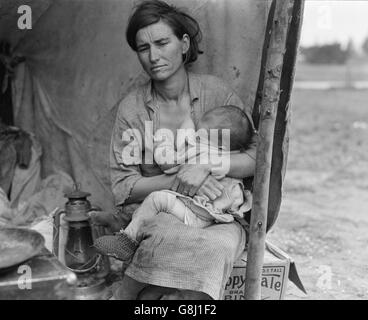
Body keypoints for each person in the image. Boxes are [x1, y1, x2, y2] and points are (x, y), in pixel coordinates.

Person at [92, 0, 257, 300]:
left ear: (183, 44)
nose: (153, 56)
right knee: (163, 242)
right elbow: (124, 188)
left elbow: (256, 158)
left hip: (221, 216)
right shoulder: (133, 109)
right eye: (143, 48)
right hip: (167, 212)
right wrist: (181, 178)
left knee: (214, 251)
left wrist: (207, 165)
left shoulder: (218, 94)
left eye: (162, 42)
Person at [94, 105, 253, 261]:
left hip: (198, 215)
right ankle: (123, 225)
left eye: (200, 135)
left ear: (220, 145)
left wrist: (163, 142)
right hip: (211, 211)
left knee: (157, 200)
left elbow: (168, 163)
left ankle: (126, 242)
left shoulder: (202, 152)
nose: (195, 137)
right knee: (153, 210)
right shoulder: (226, 156)